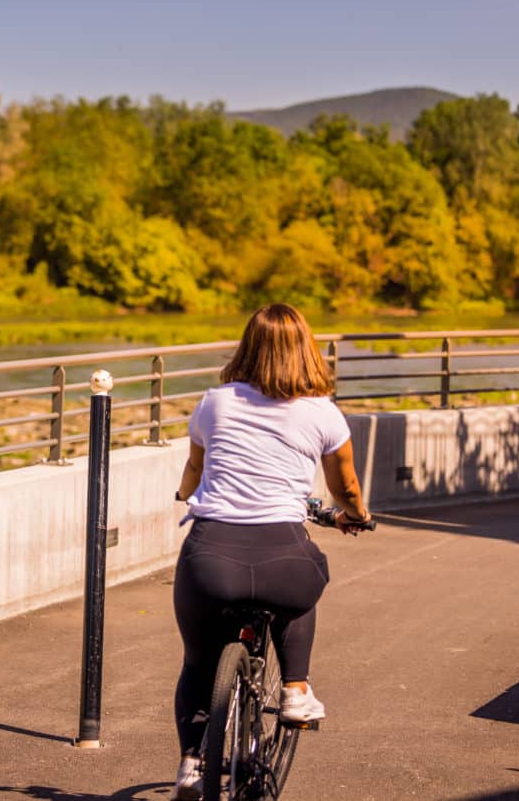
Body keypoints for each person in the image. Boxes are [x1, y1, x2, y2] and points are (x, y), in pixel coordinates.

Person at [170, 303, 371, 799]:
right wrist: (356, 516)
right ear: (306, 350)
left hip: (210, 555)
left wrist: (183, 494)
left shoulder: (214, 402)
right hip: (282, 553)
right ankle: (296, 691)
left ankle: (192, 767)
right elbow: (344, 485)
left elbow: (194, 471)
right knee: (300, 586)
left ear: (247, 347)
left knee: (198, 662)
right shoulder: (323, 412)